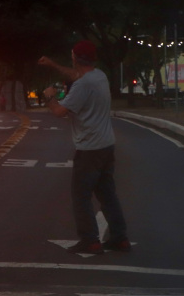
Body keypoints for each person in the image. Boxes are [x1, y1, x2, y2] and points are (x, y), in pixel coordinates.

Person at [39, 40, 129, 255]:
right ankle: (120, 238)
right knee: (107, 195)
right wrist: (52, 64)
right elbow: (76, 75)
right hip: (107, 145)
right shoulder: (99, 77)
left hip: (89, 149)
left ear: (75, 58)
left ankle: (90, 240)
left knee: (81, 197)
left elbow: (60, 112)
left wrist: (50, 97)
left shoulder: (82, 86)